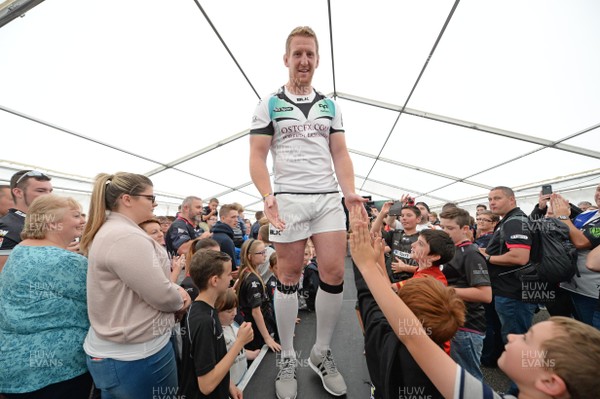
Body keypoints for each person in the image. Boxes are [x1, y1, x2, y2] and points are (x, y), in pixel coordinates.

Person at [349, 203, 600, 399]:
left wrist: (367, 266)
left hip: (470, 330)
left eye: (526, 338)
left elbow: (415, 337)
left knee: (471, 370)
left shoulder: (470, 256)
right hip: (463, 330)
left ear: (550, 382)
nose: (512, 336)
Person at [249, 25, 366, 398]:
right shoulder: (269, 103)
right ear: (286, 59)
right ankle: (287, 356)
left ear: (317, 60)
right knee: (289, 274)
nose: (304, 60)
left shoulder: (330, 105)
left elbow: (340, 153)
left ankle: (321, 352)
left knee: (333, 272)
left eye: (310, 54)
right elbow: (256, 155)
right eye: (297, 54)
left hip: (327, 196)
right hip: (289, 198)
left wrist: (349, 193)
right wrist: (266, 193)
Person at [80, 172, 191, 398]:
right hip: (137, 355)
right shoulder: (125, 237)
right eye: (150, 197)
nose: (155, 203)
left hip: (122, 352)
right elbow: (160, 295)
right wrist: (181, 298)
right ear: (127, 199)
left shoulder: (113, 231)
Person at [0, 194, 91, 398]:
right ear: (52, 222)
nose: (83, 220)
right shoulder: (67, 261)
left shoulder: (20, 250)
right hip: (56, 371)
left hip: (12, 363)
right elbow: (103, 302)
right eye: (76, 215)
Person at [179, 250, 253, 399]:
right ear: (214, 280)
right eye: (227, 274)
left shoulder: (207, 309)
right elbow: (206, 385)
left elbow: (212, 359)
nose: (231, 278)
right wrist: (240, 342)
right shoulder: (204, 321)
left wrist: (229, 384)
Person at [439, 207, 492, 381]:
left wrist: (443, 289)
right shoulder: (451, 250)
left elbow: (485, 294)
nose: (445, 232)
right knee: (456, 378)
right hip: (453, 322)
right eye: (442, 227)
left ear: (465, 229)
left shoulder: (471, 254)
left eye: (450, 228)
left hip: (467, 326)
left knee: (470, 379)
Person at [551, 186, 600, 327]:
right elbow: (566, 235)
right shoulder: (586, 215)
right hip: (572, 285)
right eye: (599, 190)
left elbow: (580, 242)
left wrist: (562, 216)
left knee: (593, 335)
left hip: (593, 292)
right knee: (582, 331)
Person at [0, 170, 53, 271]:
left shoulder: (46, 223)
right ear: (18, 192)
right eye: (41, 191)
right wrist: (58, 256)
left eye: (50, 191)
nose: (48, 196)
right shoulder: (7, 227)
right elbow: (5, 273)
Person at [234, 239, 280, 352]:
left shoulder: (247, 273)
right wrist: (267, 338)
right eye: (261, 253)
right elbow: (256, 311)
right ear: (250, 256)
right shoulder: (252, 280)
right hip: (255, 331)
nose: (265, 255)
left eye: (265, 251)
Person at [216, 288, 262, 386]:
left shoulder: (234, 325)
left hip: (244, 376)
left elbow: (240, 351)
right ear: (216, 312)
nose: (235, 313)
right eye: (229, 311)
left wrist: (253, 354)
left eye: (235, 308)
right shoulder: (217, 335)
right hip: (233, 384)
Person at [140, 218, 185, 283]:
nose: (161, 234)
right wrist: (177, 269)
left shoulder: (159, 251)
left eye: (160, 230)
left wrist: (172, 267)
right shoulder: (149, 256)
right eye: (154, 232)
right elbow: (165, 287)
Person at [211, 203, 240, 271]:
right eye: (233, 217)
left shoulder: (213, 234)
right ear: (223, 218)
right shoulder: (226, 240)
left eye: (237, 217)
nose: (236, 220)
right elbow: (231, 268)